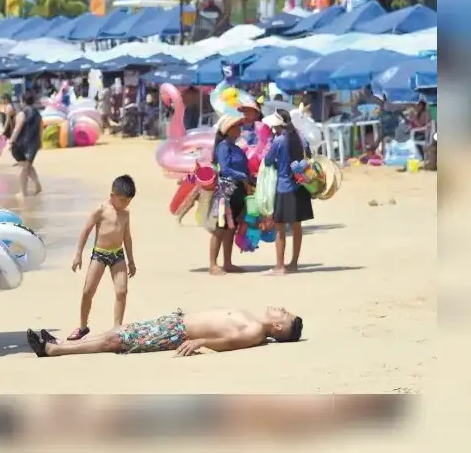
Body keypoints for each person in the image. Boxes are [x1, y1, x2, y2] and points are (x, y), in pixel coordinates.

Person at [26, 306, 303, 357]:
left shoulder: (255, 330)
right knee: (120, 331)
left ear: (278, 327)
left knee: (117, 340)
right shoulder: (255, 323)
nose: (280, 308)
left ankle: (55, 349)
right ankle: (59, 342)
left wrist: (199, 342)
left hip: (177, 332)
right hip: (176, 322)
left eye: (284, 313)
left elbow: (230, 342)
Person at [67, 175, 137, 340]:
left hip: (118, 255)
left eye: (128, 201)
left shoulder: (125, 213)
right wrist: (78, 254)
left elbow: (127, 237)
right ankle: (83, 327)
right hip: (99, 254)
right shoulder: (101, 210)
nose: (126, 204)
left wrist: (131, 261)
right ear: (112, 196)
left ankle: (117, 327)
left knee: (122, 291)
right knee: (88, 291)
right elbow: (86, 230)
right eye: (122, 200)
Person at [261, 109, 313, 274]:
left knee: (280, 228)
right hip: (301, 186)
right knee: (297, 226)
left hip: (284, 187)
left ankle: (280, 266)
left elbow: (268, 161)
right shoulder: (300, 137)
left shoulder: (279, 141)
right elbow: (309, 154)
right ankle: (294, 263)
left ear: (277, 125)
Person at [208, 115, 253, 275]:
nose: (239, 128)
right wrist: (243, 176)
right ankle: (213, 264)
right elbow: (225, 169)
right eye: (236, 126)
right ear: (228, 130)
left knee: (230, 229)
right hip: (225, 192)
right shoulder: (223, 147)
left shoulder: (237, 148)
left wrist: (252, 179)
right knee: (220, 229)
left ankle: (227, 263)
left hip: (238, 192)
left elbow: (245, 169)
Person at [8, 91, 43, 197]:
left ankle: (23, 192)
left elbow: (18, 128)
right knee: (27, 165)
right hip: (34, 143)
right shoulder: (38, 114)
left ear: (23, 101)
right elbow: (41, 128)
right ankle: (37, 185)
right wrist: (40, 141)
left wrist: (11, 141)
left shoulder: (22, 113)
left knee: (23, 167)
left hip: (22, 144)